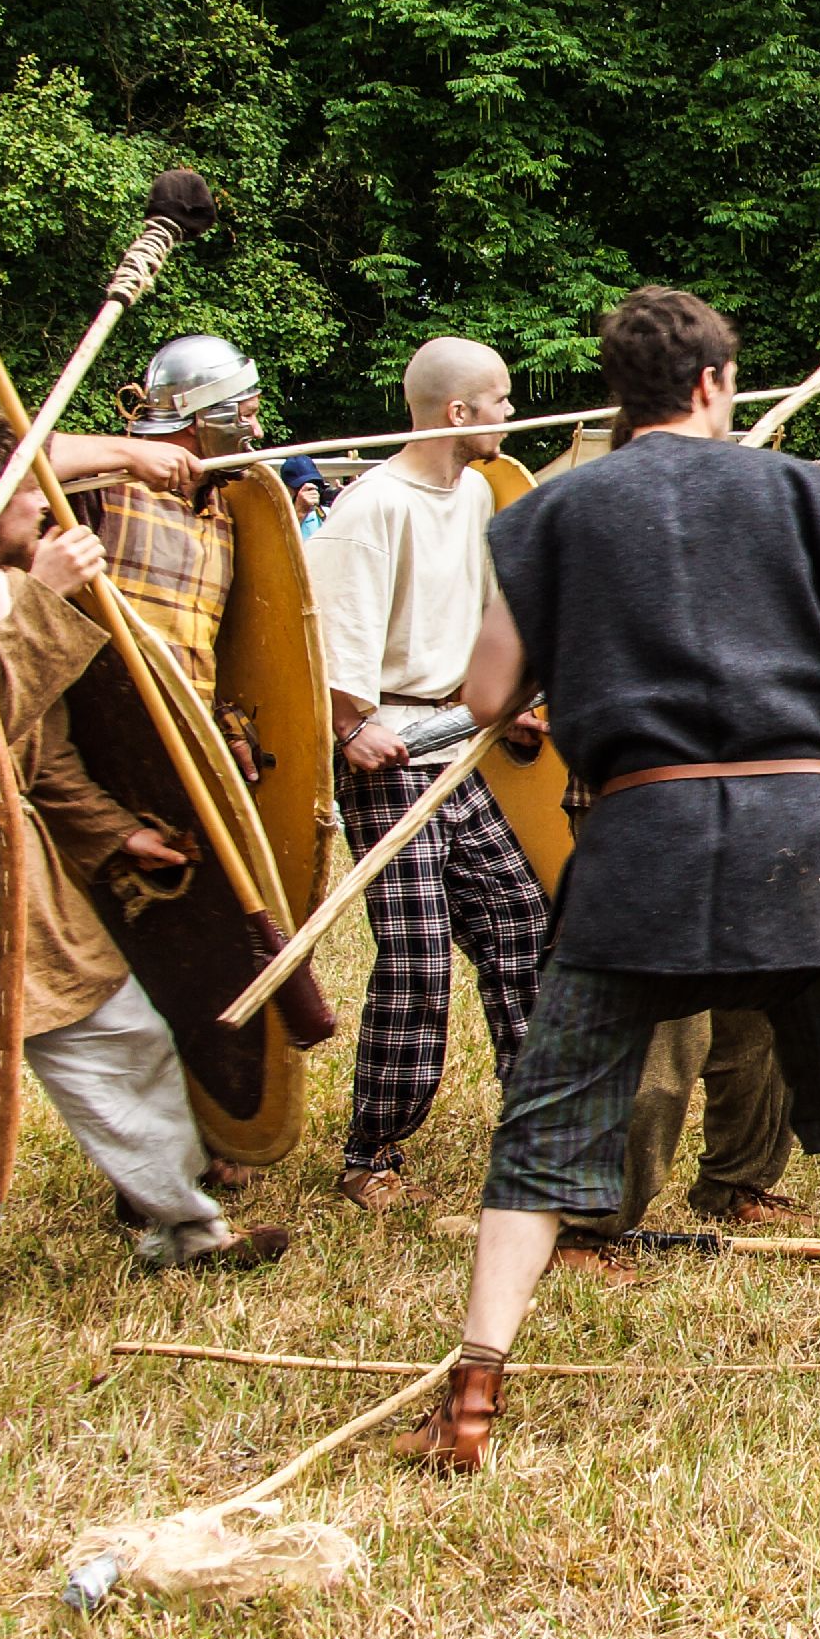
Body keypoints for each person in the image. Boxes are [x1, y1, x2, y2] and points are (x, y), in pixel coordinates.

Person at [400, 285, 820, 1470]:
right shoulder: (801, 491)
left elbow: (482, 697)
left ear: (622, 391)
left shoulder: (553, 512)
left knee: (544, 1125)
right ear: (717, 381)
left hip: (639, 851)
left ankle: (473, 1394)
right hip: (798, 847)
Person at [0, 405, 291, 1346]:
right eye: (30, 504)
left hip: (22, 873)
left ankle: (182, 1226)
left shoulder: (5, 590)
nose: (49, 520)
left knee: (115, 1030)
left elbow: (39, 757)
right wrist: (51, 602)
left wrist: (114, 835)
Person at [303, 338, 552, 1212]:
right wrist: (349, 722)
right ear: (458, 414)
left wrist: (501, 703)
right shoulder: (371, 507)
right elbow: (332, 638)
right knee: (415, 957)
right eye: (501, 401)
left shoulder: (478, 491)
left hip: (456, 741)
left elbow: (482, 618)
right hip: (392, 751)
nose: (511, 417)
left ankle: (538, 1126)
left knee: (521, 921)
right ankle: (371, 1152)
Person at [79, 309, 255, 700]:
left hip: (193, 732)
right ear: (204, 418)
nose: (257, 430)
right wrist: (125, 452)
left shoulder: (224, 509)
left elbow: (210, 645)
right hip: (119, 722)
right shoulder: (105, 489)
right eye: (248, 415)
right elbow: (4, 462)